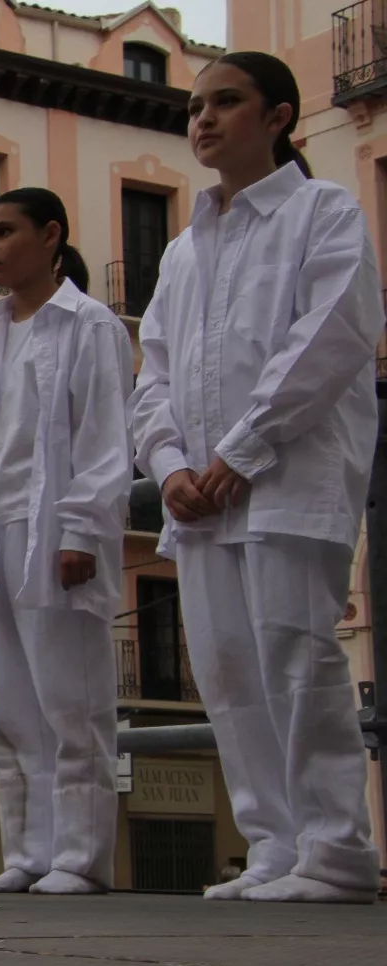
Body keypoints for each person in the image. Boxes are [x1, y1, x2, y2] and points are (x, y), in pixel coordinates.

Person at [131, 52, 383, 905]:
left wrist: (243, 450)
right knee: (229, 673)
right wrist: (169, 464)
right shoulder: (182, 252)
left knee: (297, 658)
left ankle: (336, 850)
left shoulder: (324, 211)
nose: (202, 119)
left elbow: (332, 336)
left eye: (225, 102)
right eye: (194, 106)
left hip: (289, 478)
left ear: (278, 117)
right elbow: (154, 374)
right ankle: (274, 844)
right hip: (201, 496)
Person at [0, 187, 132, 896]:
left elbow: (104, 436)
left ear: (51, 236)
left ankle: (79, 856)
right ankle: (29, 850)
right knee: (15, 709)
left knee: (72, 702)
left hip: (53, 527)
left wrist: (82, 526)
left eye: (4, 232)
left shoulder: (89, 325)